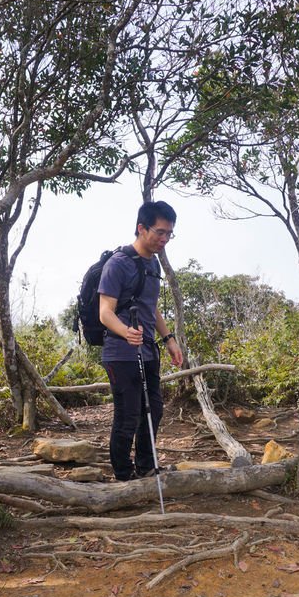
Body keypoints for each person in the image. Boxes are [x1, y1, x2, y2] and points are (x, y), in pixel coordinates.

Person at [98, 200, 184, 481]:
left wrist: (168, 338)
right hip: (120, 352)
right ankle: (124, 475)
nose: (164, 239)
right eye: (159, 232)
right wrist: (126, 331)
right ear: (141, 228)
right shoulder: (118, 264)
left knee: (154, 411)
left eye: (169, 234)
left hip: (147, 351)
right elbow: (105, 313)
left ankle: (147, 467)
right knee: (128, 416)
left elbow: (151, 306)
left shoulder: (153, 263)